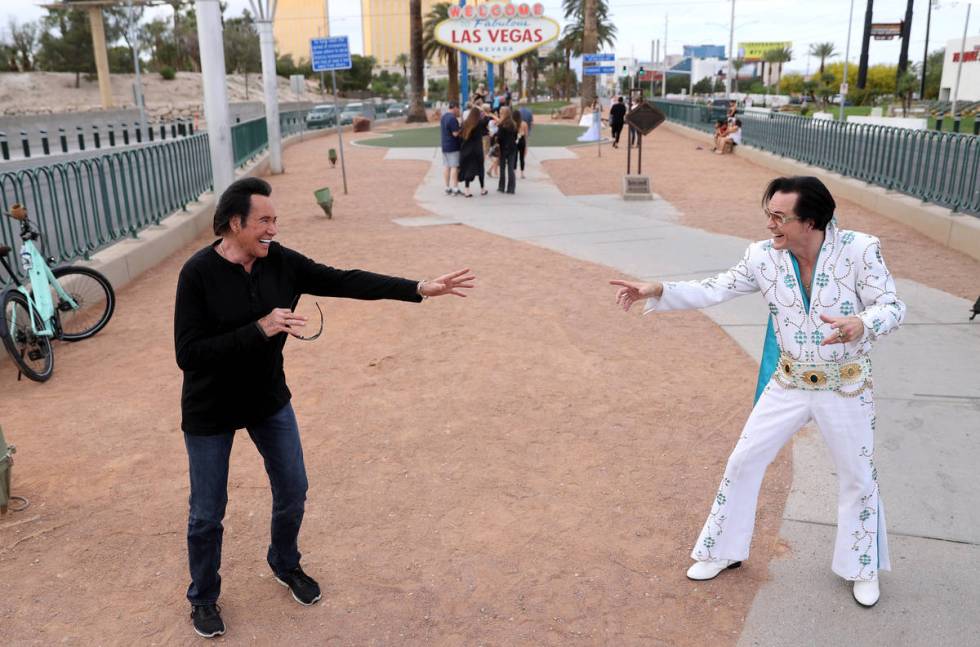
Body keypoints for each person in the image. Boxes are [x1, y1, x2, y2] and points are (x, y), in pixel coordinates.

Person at [174, 177, 476, 639]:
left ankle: (284, 562)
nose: (274, 228)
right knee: (207, 512)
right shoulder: (197, 273)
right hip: (209, 409)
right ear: (235, 223)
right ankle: (204, 597)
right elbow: (188, 354)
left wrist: (417, 287)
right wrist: (260, 328)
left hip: (267, 400)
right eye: (265, 220)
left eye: (275, 219)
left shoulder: (282, 263)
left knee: (293, 489)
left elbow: (345, 280)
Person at [610, 176, 904, 609]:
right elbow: (717, 287)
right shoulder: (762, 256)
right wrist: (662, 290)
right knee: (743, 460)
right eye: (769, 214)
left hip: (846, 385)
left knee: (858, 477)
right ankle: (721, 551)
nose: (770, 224)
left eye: (779, 217)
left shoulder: (860, 249)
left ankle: (861, 567)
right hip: (786, 382)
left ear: (811, 221)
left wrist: (863, 323)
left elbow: (892, 306)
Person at [459, 105, 492, 197]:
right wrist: (483, 111)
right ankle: (482, 189)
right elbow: (488, 117)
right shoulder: (480, 123)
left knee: (467, 169)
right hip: (477, 150)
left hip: (466, 150)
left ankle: (467, 190)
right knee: (480, 169)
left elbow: (460, 136)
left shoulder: (465, 123)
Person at [440, 101, 462, 195]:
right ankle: (455, 188)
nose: (459, 111)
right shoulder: (453, 119)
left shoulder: (443, 117)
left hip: (445, 145)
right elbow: (455, 133)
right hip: (453, 146)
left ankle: (447, 187)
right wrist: (462, 129)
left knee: (446, 166)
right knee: (454, 167)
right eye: (458, 109)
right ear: (455, 108)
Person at [495, 106, 519, 194]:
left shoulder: (502, 125)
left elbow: (499, 137)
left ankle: (501, 187)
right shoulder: (514, 124)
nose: (499, 114)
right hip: (512, 147)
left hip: (503, 148)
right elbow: (515, 136)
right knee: (511, 168)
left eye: (501, 113)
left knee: (502, 168)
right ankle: (511, 188)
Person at [516, 108, 529, 179]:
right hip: (522, 141)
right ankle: (522, 173)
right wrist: (526, 145)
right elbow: (526, 135)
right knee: (522, 158)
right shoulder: (524, 123)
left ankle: (514, 172)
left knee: (514, 157)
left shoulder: (513, 123)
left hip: (515, 141)